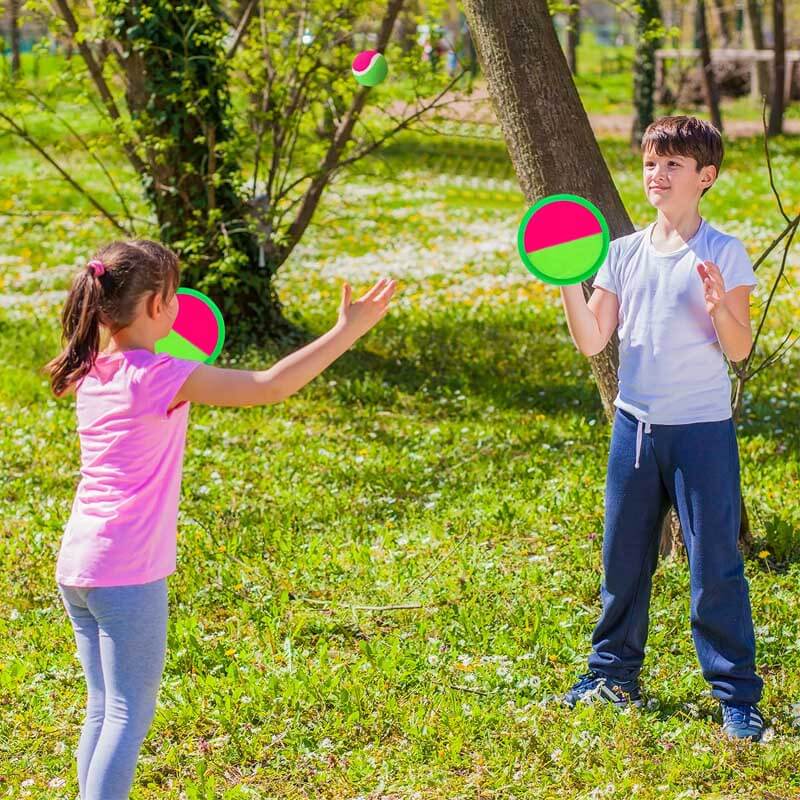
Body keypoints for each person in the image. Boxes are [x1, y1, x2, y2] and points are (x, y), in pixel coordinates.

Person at [45, 239, 396, 798]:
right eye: (173, 295)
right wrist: (347, 330)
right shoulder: (158, 375)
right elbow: (271, 385)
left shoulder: (91, 369)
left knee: (103, 708)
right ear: (157, 306)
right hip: (126, 571)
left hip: (79, 565)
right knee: (128, 714)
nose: (180, 306)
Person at [558, 116, 764, 741]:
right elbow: (594, 337)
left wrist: (718, 306)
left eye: (672, 164)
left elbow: (738, 349)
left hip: (701, 433)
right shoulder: (620, 254)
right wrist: (568, 278)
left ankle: (736, 696)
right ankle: (611, 675)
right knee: (622, 559)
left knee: (714, 566)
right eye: (651, 162)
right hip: (636, 430)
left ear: (706, 177)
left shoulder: (723, 252)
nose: (657, 173)